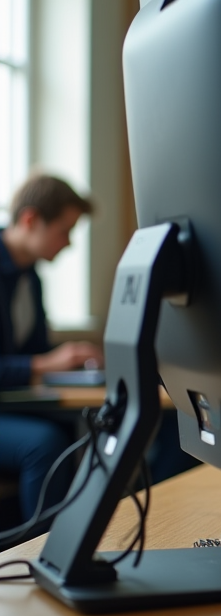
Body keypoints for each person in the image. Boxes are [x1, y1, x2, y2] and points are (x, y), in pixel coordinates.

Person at [0, 174, 103, 523]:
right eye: (65, 230)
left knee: (98, 425)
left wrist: (69, 361)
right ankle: (38, 554)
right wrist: (47, 362)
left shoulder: (31, 279)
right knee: (44, 443)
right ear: (30, 220)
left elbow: (37, 351)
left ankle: (87, 535)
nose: (69, 243)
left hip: (12, 401)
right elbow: (37, 359)